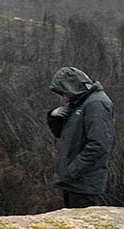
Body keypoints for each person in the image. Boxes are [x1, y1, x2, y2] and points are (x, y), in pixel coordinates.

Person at [48, 66, 114, 208]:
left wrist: (71, 171)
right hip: (73, 182)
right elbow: (61, 134)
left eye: (65, 92)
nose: (64, 97)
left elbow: (98, 145)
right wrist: (54, 116)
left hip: (84, 184)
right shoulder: (78, 102)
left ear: (73, 87)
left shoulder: (97, 103)